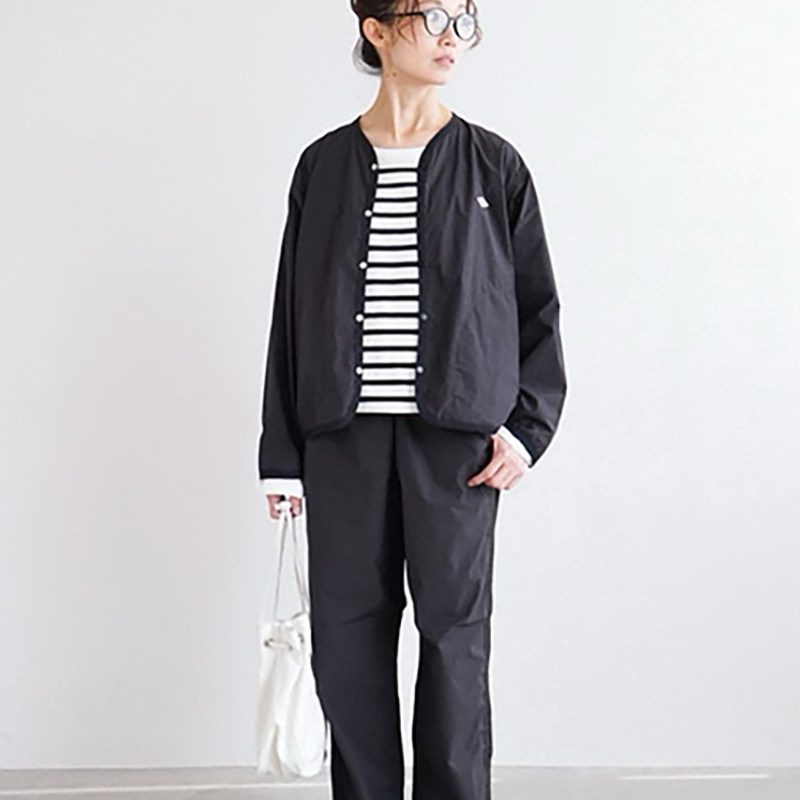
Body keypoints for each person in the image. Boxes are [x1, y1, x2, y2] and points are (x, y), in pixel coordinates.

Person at [257, 0, 567, 797]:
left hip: (457, 446)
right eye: (432, 17)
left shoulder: (494, 165)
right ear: (377, 29)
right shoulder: (323, 167)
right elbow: (290, 315)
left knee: (454, 636)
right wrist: (281, 456)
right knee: (346, 640)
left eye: (464, 20)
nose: (452, 38)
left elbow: (538, 309)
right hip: (342, 440)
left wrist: (526, 431)